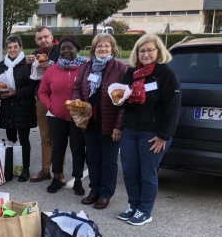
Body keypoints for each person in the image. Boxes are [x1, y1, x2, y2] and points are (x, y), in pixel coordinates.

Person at [117, 34, 181, 226]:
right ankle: (133, 205)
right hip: (130, 130)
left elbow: (173, 108)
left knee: (148, 173)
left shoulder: (166, 75)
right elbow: (124, 103)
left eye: (150, 50)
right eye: (142, 50)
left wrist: (164, 136)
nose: (145, 54)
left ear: (158, 51)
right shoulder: (131, 73)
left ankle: (145, 210)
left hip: (153, 134)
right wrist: (118, 100)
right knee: (129, 171)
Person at [72, 34, 128, 210]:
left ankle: (106, 193)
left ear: (113, 48)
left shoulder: (121, 69)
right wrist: (77, 102)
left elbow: (125, 101)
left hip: (110, 124)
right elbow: (77, 88)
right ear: (93, 49)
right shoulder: (86, 67)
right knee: (93, 159)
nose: (103, 49)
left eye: (106, 46)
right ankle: (94, 190)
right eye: (99, 46)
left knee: (109, 161)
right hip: (90, 122)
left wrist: (119, 125)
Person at [38, 35, 88, 195]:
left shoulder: (87, 68)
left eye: (69, 48)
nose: (66, 51)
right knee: (58, 148)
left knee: (77, 148)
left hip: (78, 117)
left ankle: (78, 180)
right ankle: (57, 177)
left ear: (77, 49)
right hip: (56, 116)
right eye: (62, 48)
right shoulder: (52, 69)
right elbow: (42, 91)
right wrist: (50, 106)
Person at [0, 35, 37, 182]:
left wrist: (15, 92)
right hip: (8, 107)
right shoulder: (2, 64)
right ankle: (12, 166)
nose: (12, 50)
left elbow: (32, 88)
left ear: (21, 48)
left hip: (23, 107)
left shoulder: (28, 64)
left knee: (24, 139)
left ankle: (25, 169)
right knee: (11, 139)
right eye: (9, 47)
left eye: (15, 47)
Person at [27, 26, 61, 183]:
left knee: (58, 138)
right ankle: (45, 170)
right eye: (40, 38)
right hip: (41, 99)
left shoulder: (61, 50)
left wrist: (53, 67)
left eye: (46, 37)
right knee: (45, 137)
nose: (43, 40)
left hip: (59, 99)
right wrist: (28, 64)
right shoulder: (36, 54)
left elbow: (71, 70)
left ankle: (59, 173)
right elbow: (31, 78)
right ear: (36, 41)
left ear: (52, 36)